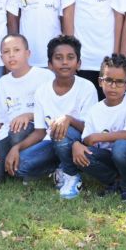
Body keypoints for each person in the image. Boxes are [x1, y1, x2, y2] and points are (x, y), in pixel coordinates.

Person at [61, 54, 126, 201]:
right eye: (109, 80)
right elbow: (87, 139)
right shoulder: (95, 109)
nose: (113, 86)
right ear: (100, 81)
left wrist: (98, 137)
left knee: (120, 147)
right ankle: (115, 181)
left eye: (119, 82)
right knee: (81, 154)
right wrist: (77, 144)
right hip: (106, 157)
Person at [0, 34, 58, 184]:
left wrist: (29, 115)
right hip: (7, 135)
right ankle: (15, 164)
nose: (11, 55)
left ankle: (32, 168)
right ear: (1, 57)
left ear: (28, 53)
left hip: (36, 132)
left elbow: (53, 111)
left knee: (18, 130)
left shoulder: (45, 76)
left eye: (16, 50)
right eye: (6, 52)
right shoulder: (3, 83)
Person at [35, 35, 98, 198]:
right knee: (24, 164)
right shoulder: (42, 91)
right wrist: (17, 148)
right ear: (50, 65)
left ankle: (71, 175)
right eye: (58, 58)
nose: (64, 62)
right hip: (51, 142)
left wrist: (68, 119)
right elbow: (40, 132)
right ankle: (61, 165)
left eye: (70, 58)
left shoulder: (87, 87)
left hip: (77, 139)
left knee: (59, 132)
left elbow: (89, 129)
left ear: (79, 63)